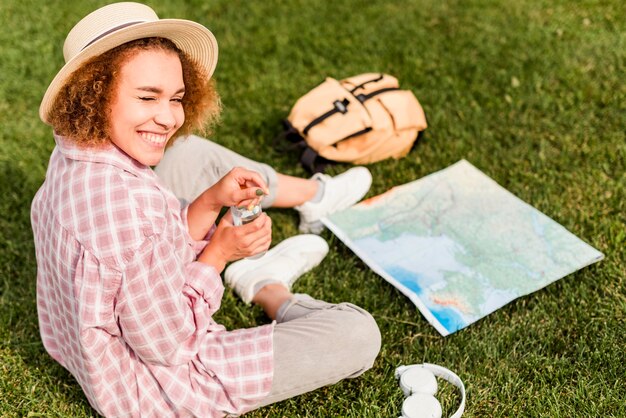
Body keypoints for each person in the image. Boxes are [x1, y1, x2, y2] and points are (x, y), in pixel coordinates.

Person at [31, 3, 380, 418]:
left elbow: (137, 259)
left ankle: (313, 197)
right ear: (94, 95)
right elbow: (168, 345)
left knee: (187, 153)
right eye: (146, 97)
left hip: (115, 325)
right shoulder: (128, 212)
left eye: (176, 98)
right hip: (162, 387)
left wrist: (209, 201)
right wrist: (218, 256)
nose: (167, 117)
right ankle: (267, 286)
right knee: (358, 334)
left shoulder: (73, 151)